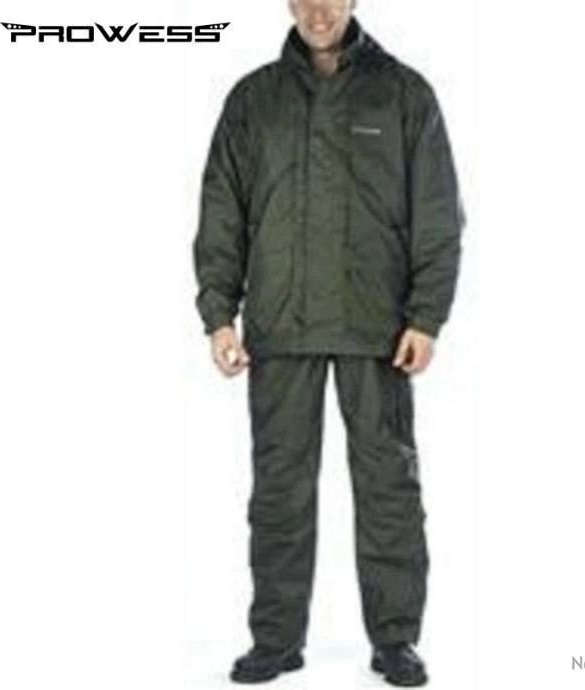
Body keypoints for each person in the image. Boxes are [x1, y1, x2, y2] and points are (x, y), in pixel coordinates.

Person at [192, 0, 466, 684]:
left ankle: (395, 640)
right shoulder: (253, 100)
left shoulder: (404, 94)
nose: (318, 11)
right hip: (280, 328)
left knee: (388, 489)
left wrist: (426, 317)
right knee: (279, 492)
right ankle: (276, 641)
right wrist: (219, 314)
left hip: (378, 329)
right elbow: (222, 208)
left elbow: (438, 211)